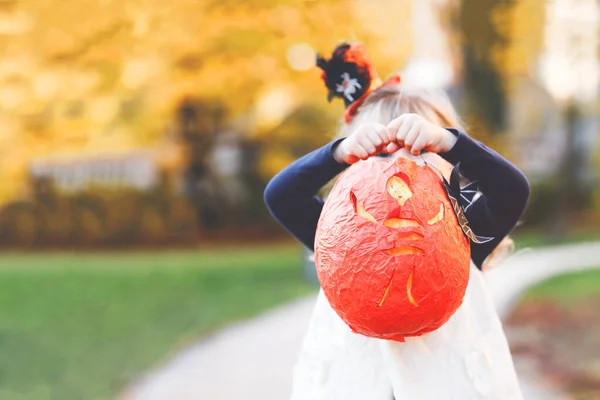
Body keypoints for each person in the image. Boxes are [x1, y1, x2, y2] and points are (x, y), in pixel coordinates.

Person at [264, 43, 530, 400]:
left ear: (449, 162)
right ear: (354, 162)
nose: (401, 168)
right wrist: (337, 153)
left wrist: (450, 141)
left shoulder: (462, 226)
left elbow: (513, 189)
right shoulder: (341, 234)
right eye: (381, 153)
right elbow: (280, 196)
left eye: (422, 151)